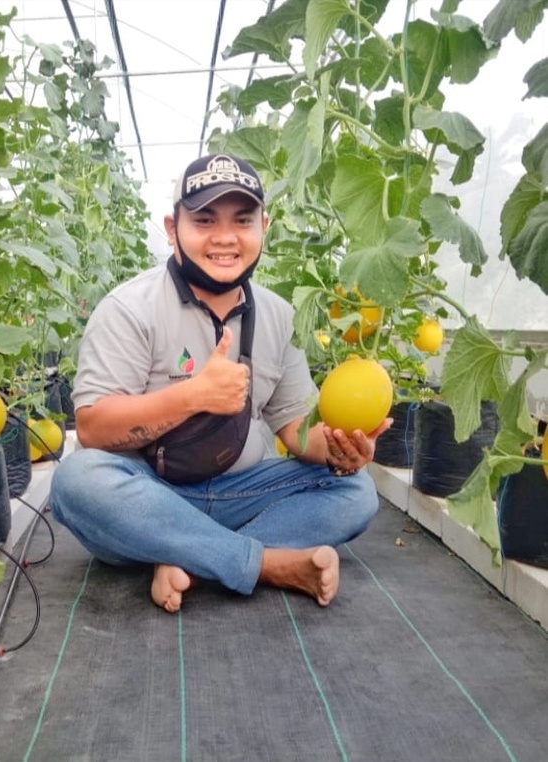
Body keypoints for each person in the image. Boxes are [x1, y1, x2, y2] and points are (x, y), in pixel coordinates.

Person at [49, 153, 391, 613]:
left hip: (240, 494)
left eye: (242, 220)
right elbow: (93, 429)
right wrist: (192, 397)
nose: (225, 237)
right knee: (76, 480)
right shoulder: (129, 308)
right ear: (172, 229)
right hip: (151, 494)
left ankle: (188, 557)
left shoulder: (279, 316)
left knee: (356, 491)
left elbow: (295, 427)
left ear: (263, 228)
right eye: (204, 220)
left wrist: (341, 451)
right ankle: (265, 563)